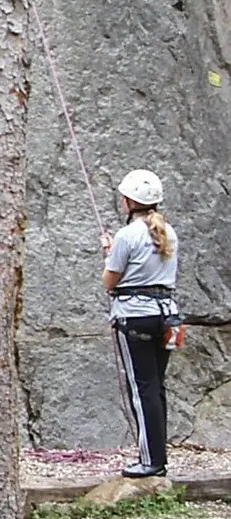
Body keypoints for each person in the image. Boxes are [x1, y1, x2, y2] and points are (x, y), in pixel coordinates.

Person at [101, 170, 179, 478]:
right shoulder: (168, 232)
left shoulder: (126, 235)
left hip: (134, 314)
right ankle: (158, 457)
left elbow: (110, 282)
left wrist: (108, 256)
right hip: (166, 313)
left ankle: (151, 461)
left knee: (141, 387)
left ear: (129, 202)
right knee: (155, 386)